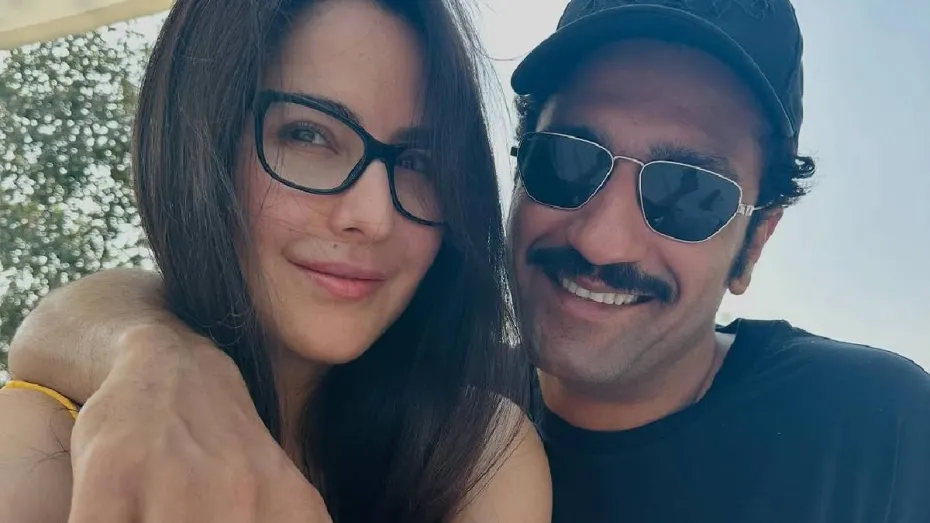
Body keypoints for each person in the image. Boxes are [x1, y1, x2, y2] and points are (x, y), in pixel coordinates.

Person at [6, 0, 930, 521]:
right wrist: (155, 357)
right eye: (570, 160)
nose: (603, 240)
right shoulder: (442, 408)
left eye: (690, 192)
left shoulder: (877, 430)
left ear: (755, 241)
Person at [0, 0, 553, 522]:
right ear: (202, 140)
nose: (373, 216)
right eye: (308, 135)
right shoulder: (46, 453)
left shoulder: (473, 458)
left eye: (417, 161)